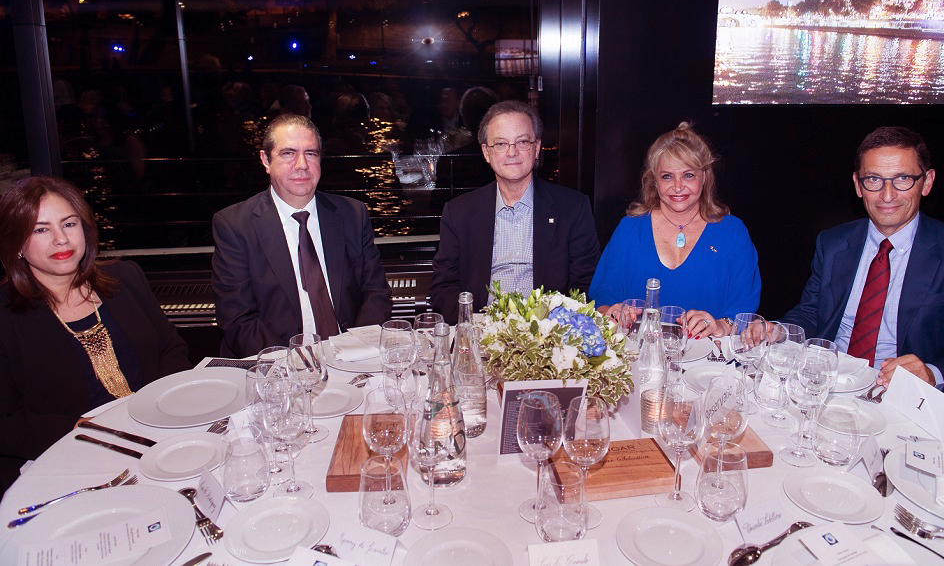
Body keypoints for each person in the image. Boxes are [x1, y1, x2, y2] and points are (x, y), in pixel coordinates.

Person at [782, 126, 944, 405]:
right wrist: (778, 331)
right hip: (829, 388)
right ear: (858, 185)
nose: (887, 195)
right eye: (874, 179)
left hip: (911, 401)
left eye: (903, 179)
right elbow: (811, 314)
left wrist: (931, 374)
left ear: (927, 181)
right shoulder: (833, 242)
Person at [0, 176, 190, 493]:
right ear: (17, 244)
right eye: (41, 229)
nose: (61, 239)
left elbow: (172, 349)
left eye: (69, 224)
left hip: (157, 433)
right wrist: (81, 431)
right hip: (68, 458)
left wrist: (160, 406)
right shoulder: (5, 317)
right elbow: (6, 421)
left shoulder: (126, 277)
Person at [212, 113, 393, 357]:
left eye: (311, 153)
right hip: (278, 364)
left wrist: (355, 352)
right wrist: (296, 366)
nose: (302, 165)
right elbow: (238, 319)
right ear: (265, 160)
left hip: (351, 356)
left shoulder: (352, 214)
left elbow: (376, 293)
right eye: (288, 153)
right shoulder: (235, 225)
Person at [430, 100, 601, 323]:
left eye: (522, 142)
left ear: (537, 148)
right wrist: (470, 328)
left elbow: (585, 285)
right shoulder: (458, 213)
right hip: (480, 332)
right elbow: (444, 286)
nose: (512, 152)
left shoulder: (573, 209)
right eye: (500, 144)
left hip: (548, 337)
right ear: (486, 152)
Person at [589, 122, 761, 337]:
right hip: (638, 358)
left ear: (704, 177)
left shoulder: (733, 232)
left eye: (688, 175)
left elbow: (743, 313)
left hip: (710, 363)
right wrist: (611, 313)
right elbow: (603, 301)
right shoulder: (630, 229)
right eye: (667, 176)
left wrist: (721, 325)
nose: (677, 186)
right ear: (654, 181)